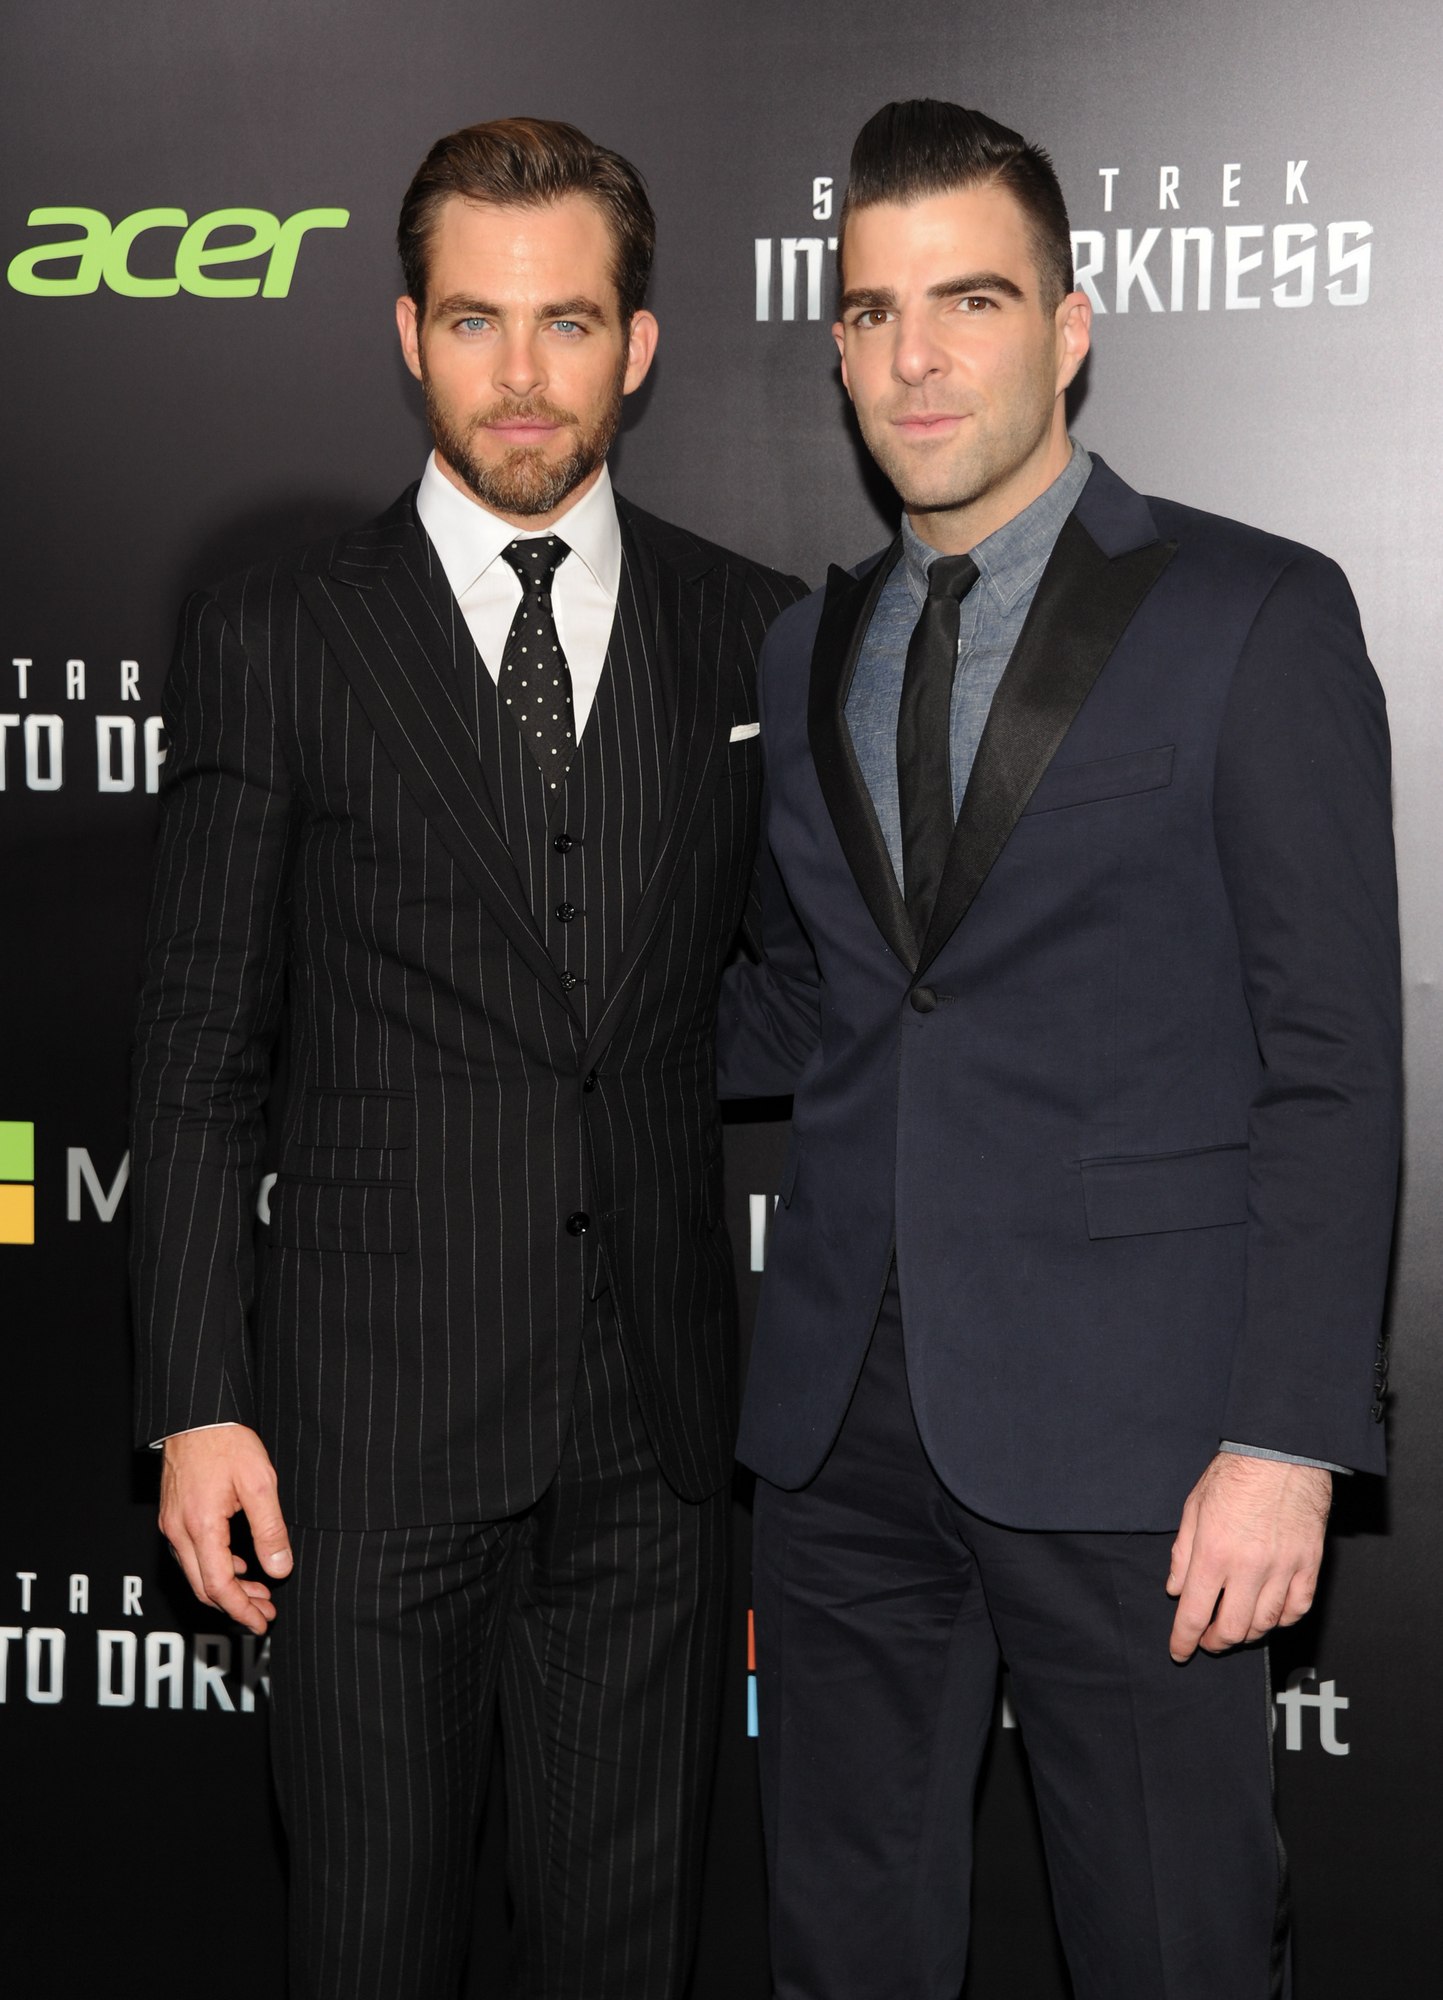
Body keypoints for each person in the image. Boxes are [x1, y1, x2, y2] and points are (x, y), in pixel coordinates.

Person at [718, 98, 1399, 1999]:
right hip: (840, 1427)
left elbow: (1335, 1056)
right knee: (843, 1951)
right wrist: (532, 1029)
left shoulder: (1255, 612)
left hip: (1146, 1439)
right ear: (838, 345)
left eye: (972, 299)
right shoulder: (802, 653)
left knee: (1177, 1949)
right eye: (874, 311)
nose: (916, 358)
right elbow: (823, 996)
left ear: (1071, 325)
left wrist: (1285, 1439)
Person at [130, 116, 805, 2000]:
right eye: (476, 321)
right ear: (407, 334)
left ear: (638, 345)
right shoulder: (280, 633)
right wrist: (195, 1401)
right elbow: (198, 1051)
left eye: (567, 322)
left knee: (626, 1957)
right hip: (362, 1444)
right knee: (367, 1946)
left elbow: (803, 988)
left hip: (652, 1444)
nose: (522, 374)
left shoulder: (750, 632)